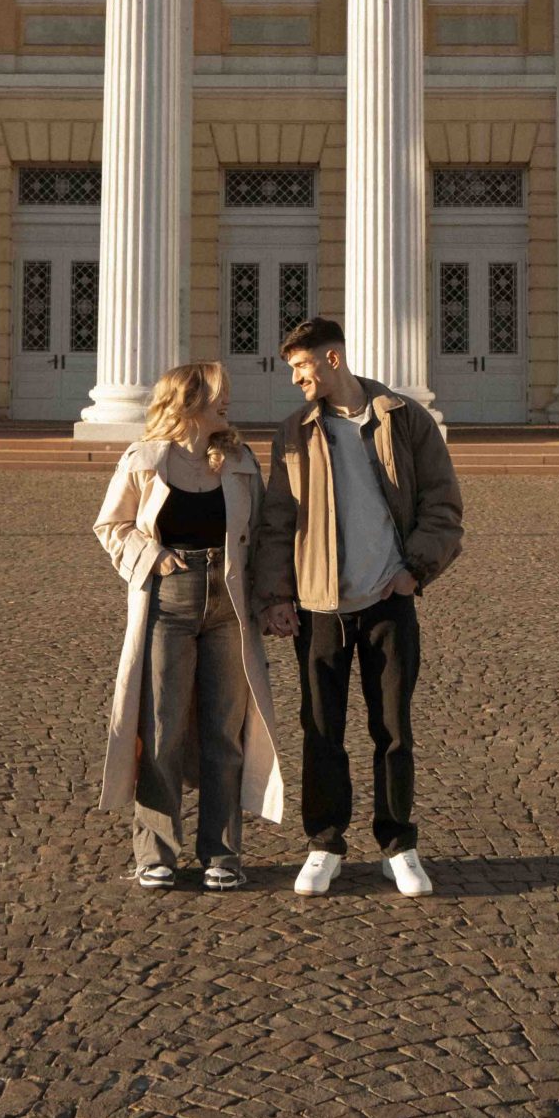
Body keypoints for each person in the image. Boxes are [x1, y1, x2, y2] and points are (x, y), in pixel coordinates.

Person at [254, 317, 464, 897]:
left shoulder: (404, 419)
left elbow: (442, 503)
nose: (295, 378)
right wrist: (276, 597)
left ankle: (399, 845)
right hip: (319, 606)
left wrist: (414, 570)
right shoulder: (294, 432)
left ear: (333, 360)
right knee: (321, 731)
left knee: (393, 730)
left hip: (388, 601)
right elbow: (278, 519)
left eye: (302, 366)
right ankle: (324, 844)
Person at [95, 362, 284, 890]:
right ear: (188, 401)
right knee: (162, 726)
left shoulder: (240, 460)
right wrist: (152, 555)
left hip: (229, 602)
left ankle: (222, 854)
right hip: (168, 599)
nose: (228, 402)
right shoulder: (144, 459)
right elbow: (111, 525)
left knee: (225, 730)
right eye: (219, 394)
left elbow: (264, 532)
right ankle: (155, 853)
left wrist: (272, 597)